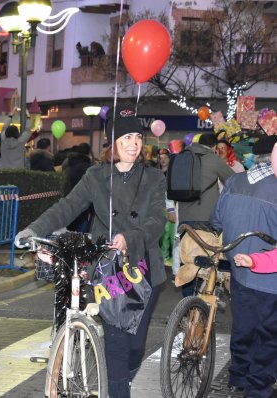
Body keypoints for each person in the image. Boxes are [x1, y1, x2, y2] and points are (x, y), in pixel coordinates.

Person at [15, 106, 166, 397]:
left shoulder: (154, 178)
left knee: (134, 347)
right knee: (117, 346)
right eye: (126, 137)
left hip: (142, 267)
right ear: (113, 142)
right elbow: (68, 206)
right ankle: (118, 386)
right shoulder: (96, 176)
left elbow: (156, 220)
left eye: (137, 137)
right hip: (108, 270)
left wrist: (131, 237)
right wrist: (33, 230)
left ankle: (123, 377)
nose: (134, 143)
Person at [211, 134, 277, 398]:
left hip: (238, 267)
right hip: (270, 275)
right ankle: (257, 388)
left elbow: (216, 220)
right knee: (269, 335)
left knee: (244, 324)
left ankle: (238, 375)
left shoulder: (235, 180)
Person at [176, 133, 234, 296]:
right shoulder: (213, 159)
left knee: (188, 260)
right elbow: (233, 180)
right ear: (214, 146)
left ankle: (187, 304)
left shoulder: (183, 156)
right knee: (206, 261)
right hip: (206, 218)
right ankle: (201, 304)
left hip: (184, 218)